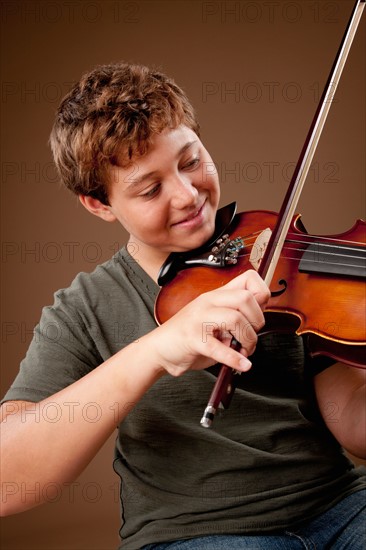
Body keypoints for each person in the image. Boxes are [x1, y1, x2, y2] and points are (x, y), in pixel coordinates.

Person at [0, 62, 365, 550]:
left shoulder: (281, 255)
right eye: (150, 189)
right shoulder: (84, 309)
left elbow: (354, 426)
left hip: (342, 508)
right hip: (202, 535)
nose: (188, 195)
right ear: (99, 205)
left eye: (191, 161)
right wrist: (153, 351)